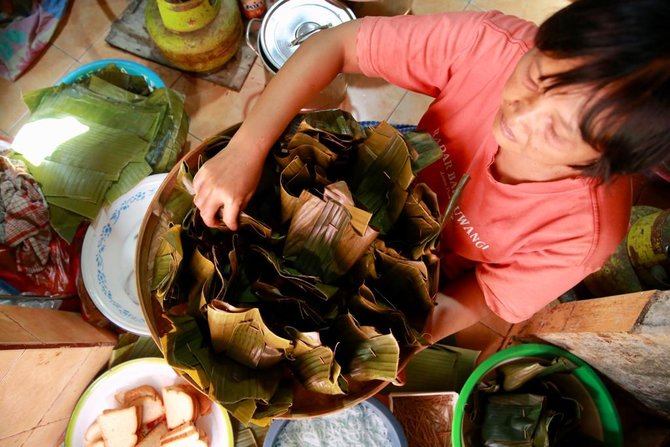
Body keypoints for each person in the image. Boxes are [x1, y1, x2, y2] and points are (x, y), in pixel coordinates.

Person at [192, 0, 670, 343]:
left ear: (606, 161)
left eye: (557, 129)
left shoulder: (584, 235)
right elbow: (338, 44)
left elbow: (489, 293)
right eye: (535, 77)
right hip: (383, 175)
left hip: (426, 268)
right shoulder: (489, 45)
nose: (520, 116)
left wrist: (413, 329)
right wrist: (245, 149)